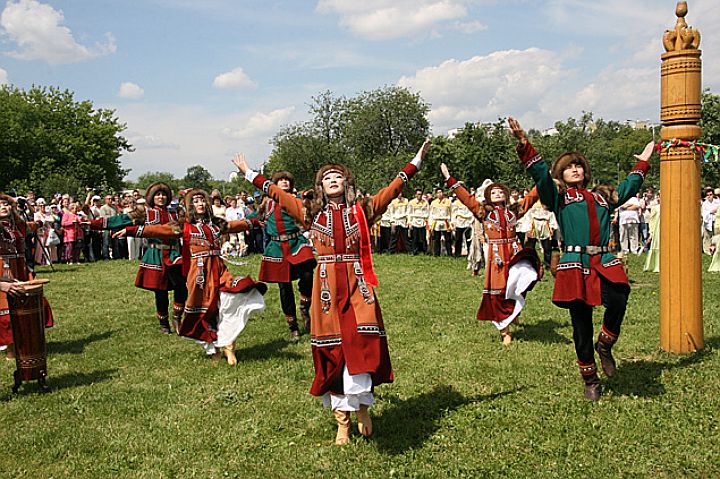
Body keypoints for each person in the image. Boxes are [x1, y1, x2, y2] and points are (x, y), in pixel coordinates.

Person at [233, 139, 431, 446]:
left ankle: (363, 406)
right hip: (325, 288)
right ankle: (342, 421)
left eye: (338, 176)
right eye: (327, 177)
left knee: (362, 344)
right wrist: (249, 172)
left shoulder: (363, 210)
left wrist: (415, 162)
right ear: (321, 186)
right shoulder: (309, 212)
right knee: (333, 351)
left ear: (347, 182)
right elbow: (278, 195)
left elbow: (392, 189)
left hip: (357, 285)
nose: (333, 180)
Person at [509, 116, 654, 401]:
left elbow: (629, 187)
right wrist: (524, 143)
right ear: (560, 175)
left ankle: (605, 345)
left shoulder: (602, 195)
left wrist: (643, 161)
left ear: (585, 171)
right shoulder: (558, 198)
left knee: (619, 297)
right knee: (581, 324)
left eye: (577, 166)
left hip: (604, 260)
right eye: (568, 168)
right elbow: (539, 174)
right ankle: (590, 379)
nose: (574, 170)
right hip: (575, 263)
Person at [117, 188, 267, 364]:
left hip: (218, 268)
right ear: (190, 205)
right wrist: (131, 230)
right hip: (199, 272)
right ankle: (214, 348)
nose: (200, 204)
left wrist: (254, 221)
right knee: (206, 309)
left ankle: (229, 345)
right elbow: (158, 230)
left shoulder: (216, 223)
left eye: (203, 200)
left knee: (228, 299)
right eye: (195, 201)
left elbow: (235, 225)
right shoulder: (184, 225)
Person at [440, 164, 540, 345]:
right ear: (488, 196)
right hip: (497, 256)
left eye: (500, 191)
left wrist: (544, 178)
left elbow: (532, 197)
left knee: (521, 282)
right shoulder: (483, 212)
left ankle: (514, 312)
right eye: (493, 192)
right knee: (500, 289)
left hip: (515, 252)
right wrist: (449, 178)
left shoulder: (514, 210)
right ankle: (504, 330)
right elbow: (466, 198)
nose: (497, 193)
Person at [88, 183, 189, 335]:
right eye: (157, 194)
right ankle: (164, 323)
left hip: (174, 255)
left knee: (181, 287)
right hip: (155, 255)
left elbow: (185, 227)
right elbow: (121, 219)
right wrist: (93, 224)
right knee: (160, 291)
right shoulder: (145, 213)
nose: (160, 197)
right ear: (152, 197)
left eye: (163, 194)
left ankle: (177, 318)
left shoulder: (176, 212)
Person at [253, 171, 316, 338]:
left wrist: (310, 198)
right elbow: (253, 220)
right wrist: (227, 226)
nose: (284, 182)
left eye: (287, 179)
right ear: (274, 184)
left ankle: (304, 306)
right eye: (281, 180)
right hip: (276, 248)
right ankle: (292, 324)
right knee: (284, 287)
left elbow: (310, 211)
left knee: (308, 274)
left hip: (296, 244)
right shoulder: (266, 204)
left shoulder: (297, 200)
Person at [0, 193, 54, 359]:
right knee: (6, 313)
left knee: (30, 305)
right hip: (3, 270)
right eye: (0, 204)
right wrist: (9, 198)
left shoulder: (18, 226)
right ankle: (11, 351)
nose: (3, 207)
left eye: (6, 204)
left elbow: (35, 223)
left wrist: (21, 204)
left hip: (21, 269)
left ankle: (27, 343)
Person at [429, 189, 452, 256]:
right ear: (436, 194)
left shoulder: (448, 202)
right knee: (436, 238)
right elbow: (431, 213)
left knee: (448, 239)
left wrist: (452, 222)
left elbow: (452, 212)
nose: (440, 194)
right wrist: (430, 223)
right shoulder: (433, 202)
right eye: (438, 193)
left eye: (441, 192)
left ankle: (449, 253)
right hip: (436, 221)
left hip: (446, 221)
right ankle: (436, 254)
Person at [407, 190, 429, 255]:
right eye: (418, 194)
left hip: (422, 221)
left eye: (420, 194)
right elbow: (409, 213)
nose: (419, 196)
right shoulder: (411, 202)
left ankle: (425, 251)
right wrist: (409, 222)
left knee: (423, 238)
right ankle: (414, 251)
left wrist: (427, 221)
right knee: (414, 238)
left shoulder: (425, 202)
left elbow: (428, 212)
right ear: (415, 195)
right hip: (414, 221)